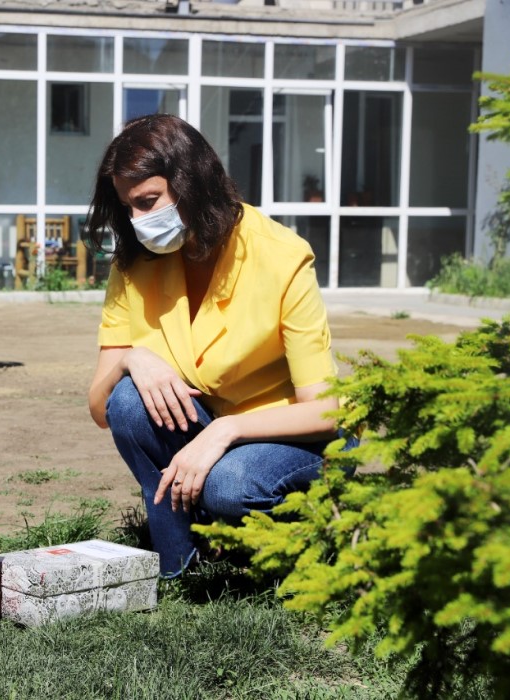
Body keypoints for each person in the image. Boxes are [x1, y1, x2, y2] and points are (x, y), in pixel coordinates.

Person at [85, 114, 353, 578]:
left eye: (148, 202)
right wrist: (130, 359)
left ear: (190, 182)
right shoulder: (134, 261)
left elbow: (327, 410)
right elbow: (100, 407)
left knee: (229, 484)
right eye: (128, 208)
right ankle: (179, 565)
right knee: (128, 401)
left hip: (295, 439)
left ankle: (312, 536)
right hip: (208, 427)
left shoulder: (281, 256)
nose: (138, 221)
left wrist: (225, 431)